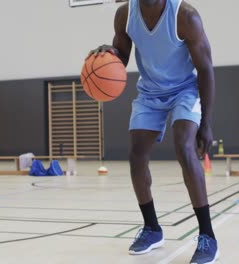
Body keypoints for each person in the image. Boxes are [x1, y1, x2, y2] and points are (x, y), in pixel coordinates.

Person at [90, 0, 217, 263]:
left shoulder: (185, 16)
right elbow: (122, 56)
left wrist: (206, 123)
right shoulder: (125, 14)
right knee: (136, 155)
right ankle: (152, 228)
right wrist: (109, 55)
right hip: (150, 92)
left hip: (185, 89)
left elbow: (205, 69)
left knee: (184, 146)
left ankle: (207, 236)